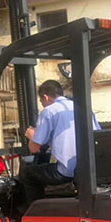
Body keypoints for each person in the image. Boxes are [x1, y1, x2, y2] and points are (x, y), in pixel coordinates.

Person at [20, 79, 100, 208]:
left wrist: (31, 136)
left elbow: (34, 148)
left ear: (45, 97)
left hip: (66, 172)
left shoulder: (49, 111)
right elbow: (98, 137)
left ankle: (36, 212)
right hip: (90, 170)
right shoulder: (84, 109)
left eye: (41, 101)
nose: (42, 105)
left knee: (27, 173)